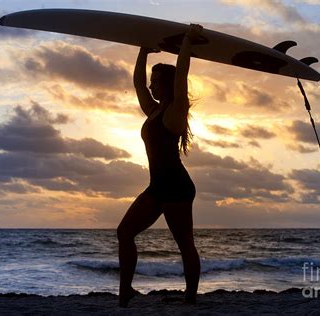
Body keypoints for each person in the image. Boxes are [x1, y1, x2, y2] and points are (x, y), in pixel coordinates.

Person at [117, 24, 203, 308]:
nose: (151, 85)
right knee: (125, 232)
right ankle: (126, 290)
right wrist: (142, 50)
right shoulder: (153, 110)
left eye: (156, 80)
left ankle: (190, 298)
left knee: (184, 245)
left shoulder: (175, 109)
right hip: (157, 187)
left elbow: (182, 76)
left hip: (177, 187)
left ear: (166, 83)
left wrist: (188, 41)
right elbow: (138, 85)